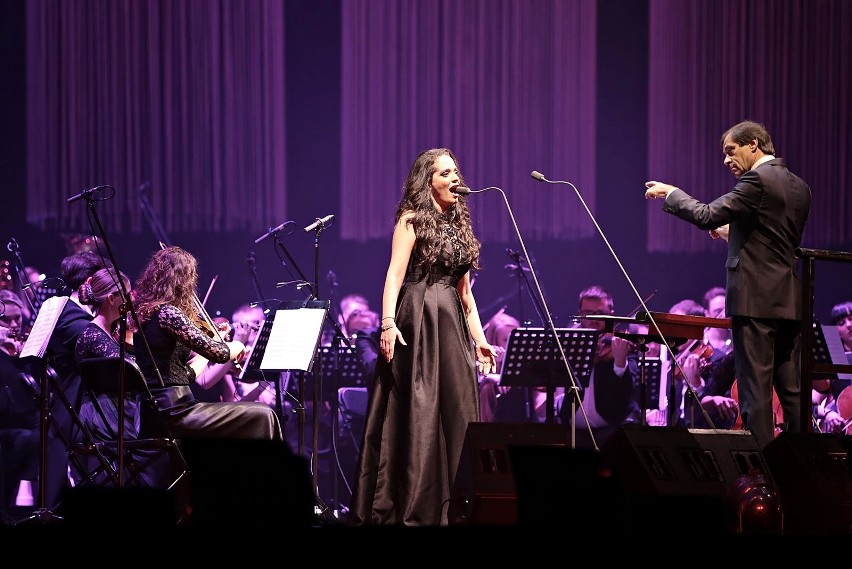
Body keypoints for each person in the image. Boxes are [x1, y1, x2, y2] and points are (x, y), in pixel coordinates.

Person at [348, 148, 496, 526]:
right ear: (427, 180)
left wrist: (479, 338)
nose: (452, 179)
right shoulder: (411, 220)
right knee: (419, 411)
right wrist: (386, 322)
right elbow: (394, 275)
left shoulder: (460, 227)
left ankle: (458, 508)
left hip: (451, 324)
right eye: (444, 173)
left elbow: (465, 295)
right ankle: (415, 506)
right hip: (417, 319)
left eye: (454, 172)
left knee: (458, 409)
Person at [645, 120, 812, 449]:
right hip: (789, 300)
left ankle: (763, 469)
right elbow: (773, 239)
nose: (726, 160)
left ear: (753, 145)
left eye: (730, 151)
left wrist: (672, 193)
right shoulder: (799, 186)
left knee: (755, 392)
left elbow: (708, 214)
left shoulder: (757, 180)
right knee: (792, 392)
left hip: (755, 301)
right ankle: (801, 464)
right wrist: (732, 235)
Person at [131, 246, 283, 442]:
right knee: (264, 414)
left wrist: (205, 348)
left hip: (160, 408)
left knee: (260, 414)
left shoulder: (147, 313)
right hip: (173, 411)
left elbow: (185, 374)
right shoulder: (168, 313)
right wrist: (238, 344)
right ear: (183, 280)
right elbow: (220, 354)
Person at [0, 290, 68, 515]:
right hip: (6, 428)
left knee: (54, 437)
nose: (13, 324)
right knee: (45, 444)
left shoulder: (27, 353)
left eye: (17, 318)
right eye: (5, 319)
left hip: (27, 425)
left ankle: (42, 507)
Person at [555, 285, 639, 447]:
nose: (593, 320)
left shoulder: (621, 344)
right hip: (572, 430)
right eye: (588, 314)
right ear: (580, 315)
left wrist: (620, 363)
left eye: (600, 314)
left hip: (611, 430)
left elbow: (627, 392)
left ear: (611, 315)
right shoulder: (570, 344)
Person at [478, 310, 520, 422]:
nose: (511, 345)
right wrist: (491, 374)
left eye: (515, 339)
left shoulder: (523, 368)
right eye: (506, 340)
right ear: (494, 341)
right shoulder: (481, 368)